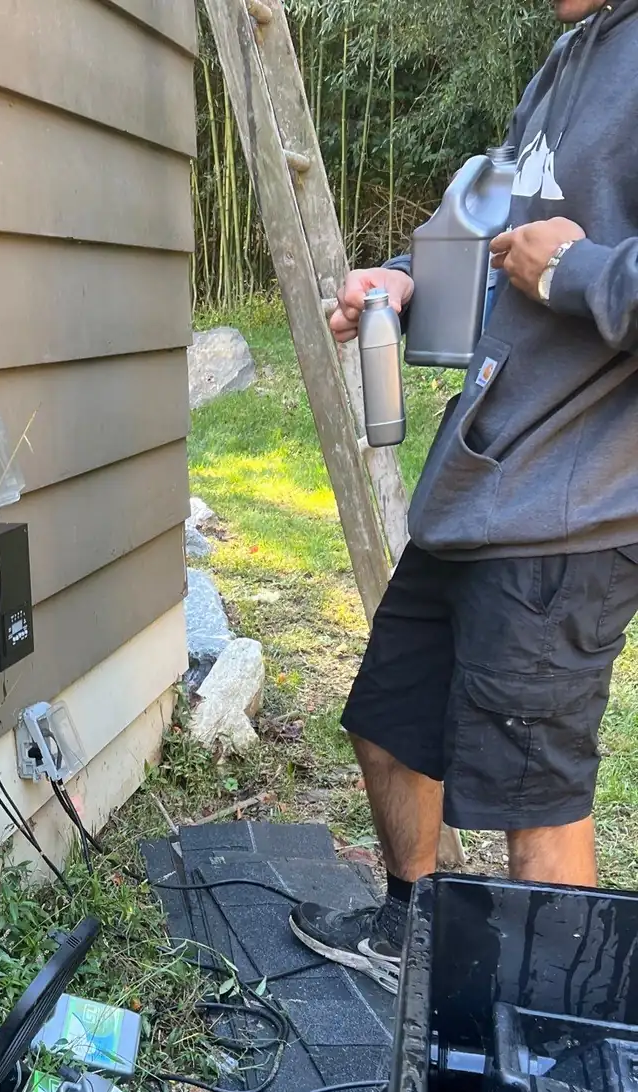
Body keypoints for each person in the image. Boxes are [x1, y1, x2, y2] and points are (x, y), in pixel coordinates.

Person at [290, 0, 638, 994]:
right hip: (482, 481)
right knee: (388, 718)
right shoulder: (571, 58)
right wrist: (403, 280)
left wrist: (576, 272)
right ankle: (413, 931)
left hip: (569, 508)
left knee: (540, 802)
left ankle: (549, 1043)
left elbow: (560, 260)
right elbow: (487, 219)